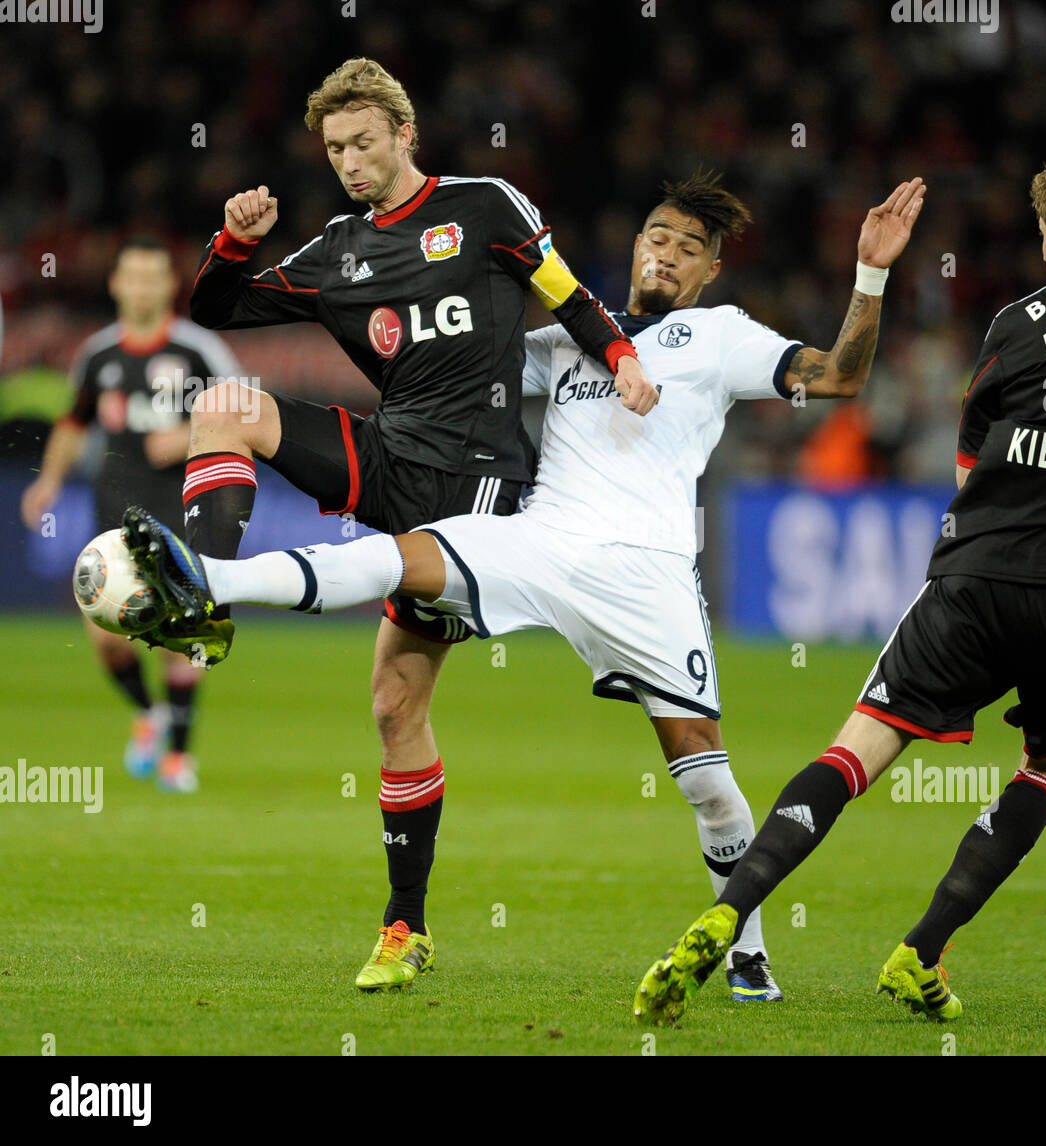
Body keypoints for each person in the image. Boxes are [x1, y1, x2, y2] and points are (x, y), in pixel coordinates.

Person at [122, 170, 926, 999]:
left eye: (691, 249)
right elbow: (456, 371)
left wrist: (870, 275)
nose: (669, 255)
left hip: (647, 575)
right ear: (635, 245)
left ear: (709, 272)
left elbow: (837, 377)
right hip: (538, 538)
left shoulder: (722, 337)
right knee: (402, 558)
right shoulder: (569, 338)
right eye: (658, 237)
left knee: (707, 781)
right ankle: (213, 580)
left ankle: (749, 950)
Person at [629, 160, 1046, 1026]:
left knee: (857, 751)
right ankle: (922, 949)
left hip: (977, 579)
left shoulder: (1016, 321)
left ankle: (728, 913)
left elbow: (968, 467)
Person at [146, 56, 652, 989]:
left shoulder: (486, 206)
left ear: (405, 135)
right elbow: (213, 310)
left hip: (476, 488)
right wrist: (232, 242)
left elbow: (566, 293)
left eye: (364, 142)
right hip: (387, 455)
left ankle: (404, 924)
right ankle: (206, 599)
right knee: (223, 402)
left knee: (393, 705)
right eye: (334, 147)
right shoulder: (336, 251)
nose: (348, 160)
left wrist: (618, 355)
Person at [22, 235, 242, 793]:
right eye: (133, 277)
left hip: (182, 508)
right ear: (116, 284)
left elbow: (246, 412)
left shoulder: (197, 351)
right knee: (105, 635)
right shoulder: (98, 354)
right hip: (113, 509)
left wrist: (192, 435)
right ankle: (149, 713)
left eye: (154, 277)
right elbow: (74, 422)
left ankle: (179, 759)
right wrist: (47, 481)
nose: (143, 287)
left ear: (170, 285)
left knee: (183, 632)